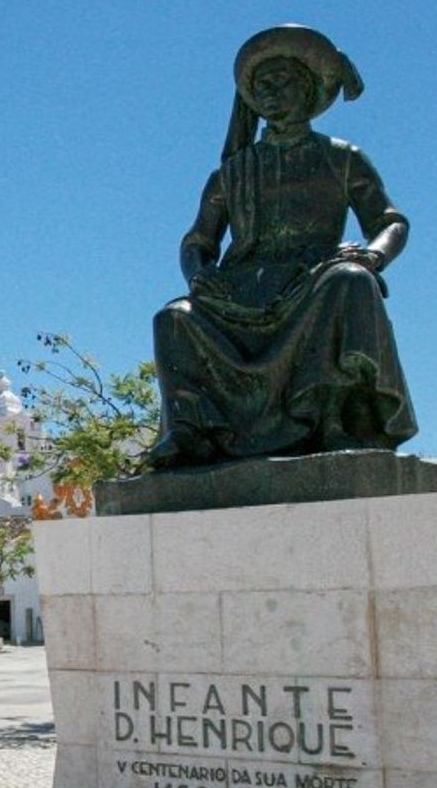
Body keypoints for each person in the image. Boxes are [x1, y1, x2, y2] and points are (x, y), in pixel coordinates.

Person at [149, 25, 416, 467]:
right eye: (261, 86)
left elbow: (390, 222)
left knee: (350, 280)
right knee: (174, 317)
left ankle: (333, 418)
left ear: (309, 87)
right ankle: (189, 430)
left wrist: (373, 255)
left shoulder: (342, 157)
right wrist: (199, 275)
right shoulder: (232, 173)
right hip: (241, 293)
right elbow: (198, 241)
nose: (270, 93)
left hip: (311, 282)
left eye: (281, 82)